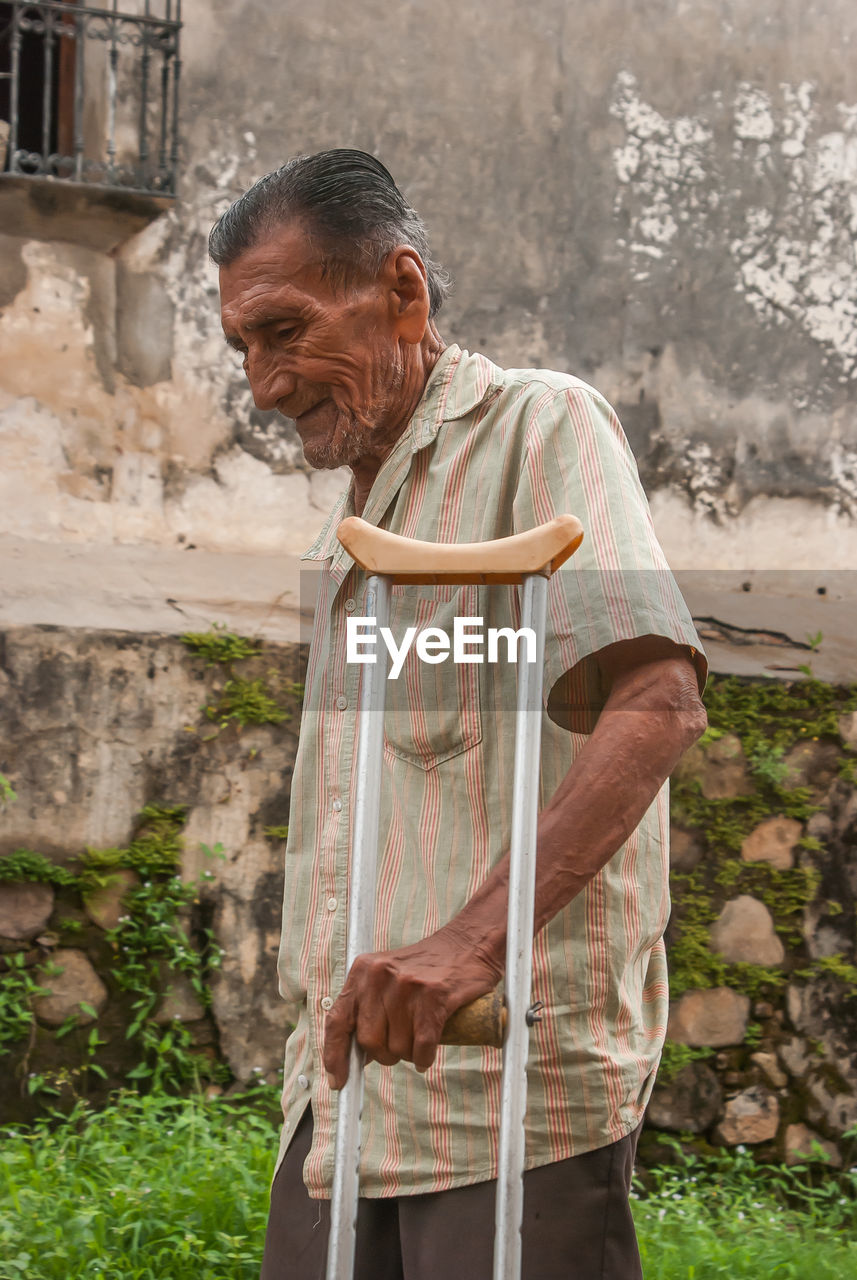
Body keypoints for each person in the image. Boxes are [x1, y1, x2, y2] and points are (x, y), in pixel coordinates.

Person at [211, 149, 708, 1280]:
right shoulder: (356, 525)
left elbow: (656, 701)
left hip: (508, 1093)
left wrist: (464, 945)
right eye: (242, 346)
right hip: (345, 1092)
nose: (263, 384)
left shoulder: (541, 429)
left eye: (284, 331)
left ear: (401, 290)